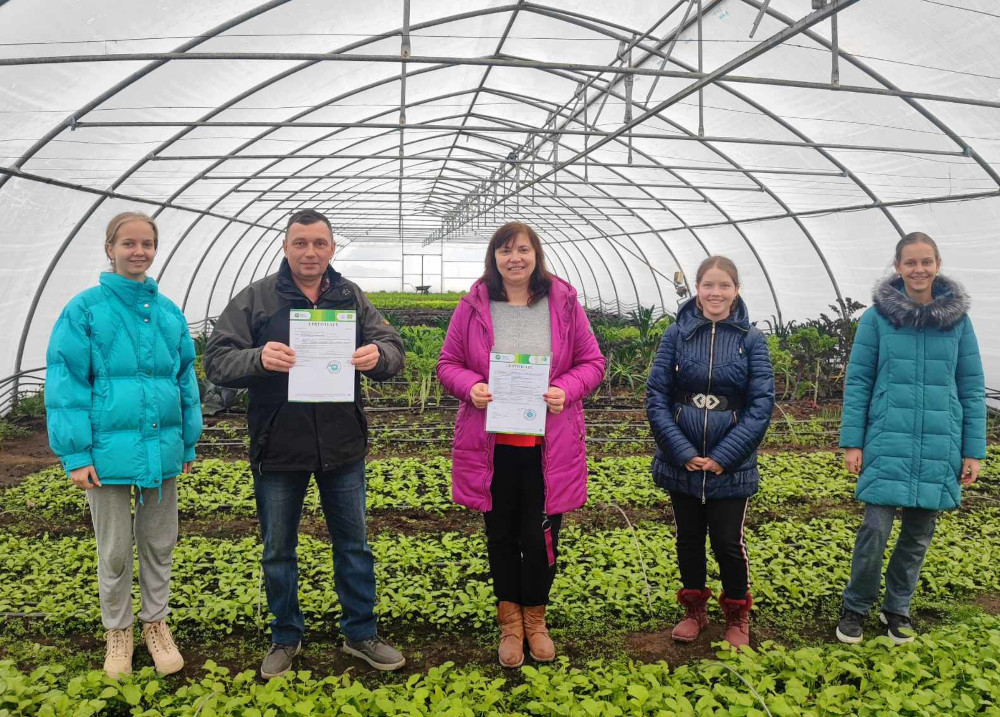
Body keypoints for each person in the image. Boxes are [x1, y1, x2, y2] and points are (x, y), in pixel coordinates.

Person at [203, 209, 406, 678]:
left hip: (342, 445)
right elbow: (216, 360)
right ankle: (285, 636)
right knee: (278, 548)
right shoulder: (256, 299)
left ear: (332, 248)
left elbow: (392, 347)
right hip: (278, 447)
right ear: (285, 246)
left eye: (319, 243)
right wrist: (258, 357)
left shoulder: (349, 296)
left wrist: (379, 356)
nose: (310, 252)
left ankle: (361, 632)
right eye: (300, 243)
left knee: (353, 544)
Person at [437, 221, 605, 668]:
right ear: (493, 257)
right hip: (491, 447)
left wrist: (564, 390)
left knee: (542, 536)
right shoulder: (474, 305)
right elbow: (448, 363)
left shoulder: (563, 302)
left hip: (548, 447)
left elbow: (592, 362)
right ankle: (510, 623)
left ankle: (537, 619)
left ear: (536, 255)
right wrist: (471, 386)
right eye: (505, 250)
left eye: (523, 250)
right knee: (502, 536)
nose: (515, 258)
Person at [45, 211, 202, 679]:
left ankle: (156, 623)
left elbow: (185, 381)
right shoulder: (85, 309)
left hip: (162, 449)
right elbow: (66, 382)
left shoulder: (169, 313)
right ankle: (119, 631)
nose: (139, 252)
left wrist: (187, 444)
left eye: (147, 244)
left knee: (158, 543)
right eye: (128, 244)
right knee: (113, 549)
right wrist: (75, 453)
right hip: (106, 455)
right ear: (109, 249)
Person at [836, 232, 985, 646]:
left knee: (918, 534)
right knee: (874, 530)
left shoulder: (958, 321)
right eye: (910, 262)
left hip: (940, 442)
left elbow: (971, 386)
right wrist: (854, 441)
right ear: (898, 267)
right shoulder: (877, 318)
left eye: (926, 262)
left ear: (937, 264)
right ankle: (856, 606)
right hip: (887, 438)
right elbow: (859, 380)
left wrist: (973, 450)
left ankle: (897, 609)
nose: (918, 270)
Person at [646, 255, 774, 650]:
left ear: (736, 290)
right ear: (696, 289)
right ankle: (694, 609)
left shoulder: (751, 339)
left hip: (729, 464)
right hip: (681, 457)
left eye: (724, 285)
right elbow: (656, 395)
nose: (715, 293)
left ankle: (737, 612)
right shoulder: (676, 335)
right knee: (688, 538)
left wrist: (725, 455)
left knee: (727, 540)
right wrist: (681, 450)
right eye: (708, 285)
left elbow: (761, 403)